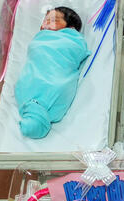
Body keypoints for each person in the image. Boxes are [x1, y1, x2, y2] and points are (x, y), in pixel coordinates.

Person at [14, 7, 90, 139]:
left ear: (71, 28)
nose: (46, 24)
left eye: (53, 20)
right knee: (40, 82)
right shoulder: (40, 39)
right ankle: (35, 112)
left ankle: (35, 113)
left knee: (54, 86)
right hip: (37, 84)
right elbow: (36, 53)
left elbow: (76, 50)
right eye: (45, 21)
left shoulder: (72, 40)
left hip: (52, 85)